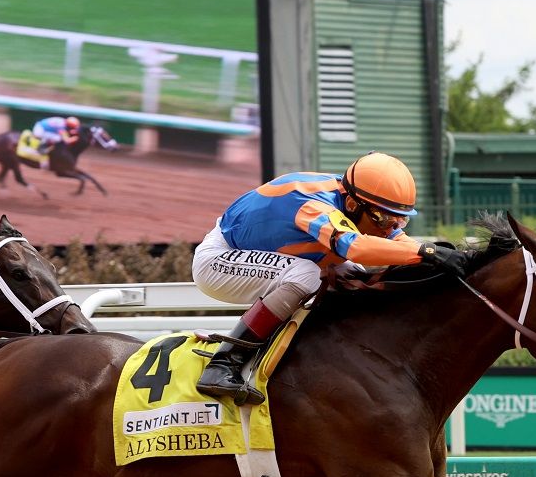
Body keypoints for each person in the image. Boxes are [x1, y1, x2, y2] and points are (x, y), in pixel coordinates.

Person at [191, 151, 466, 405]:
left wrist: (440, 255)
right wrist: (425, 251)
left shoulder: (360, 201)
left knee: (355, 274)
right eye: (384, 220)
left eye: (400, 220)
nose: (391, 229)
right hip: (219, 259)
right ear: (352, 204)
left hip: (267, 253)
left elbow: (400, 244)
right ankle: (224, 362)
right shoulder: (312, 206)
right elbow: (356, 247)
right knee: (307, 274)